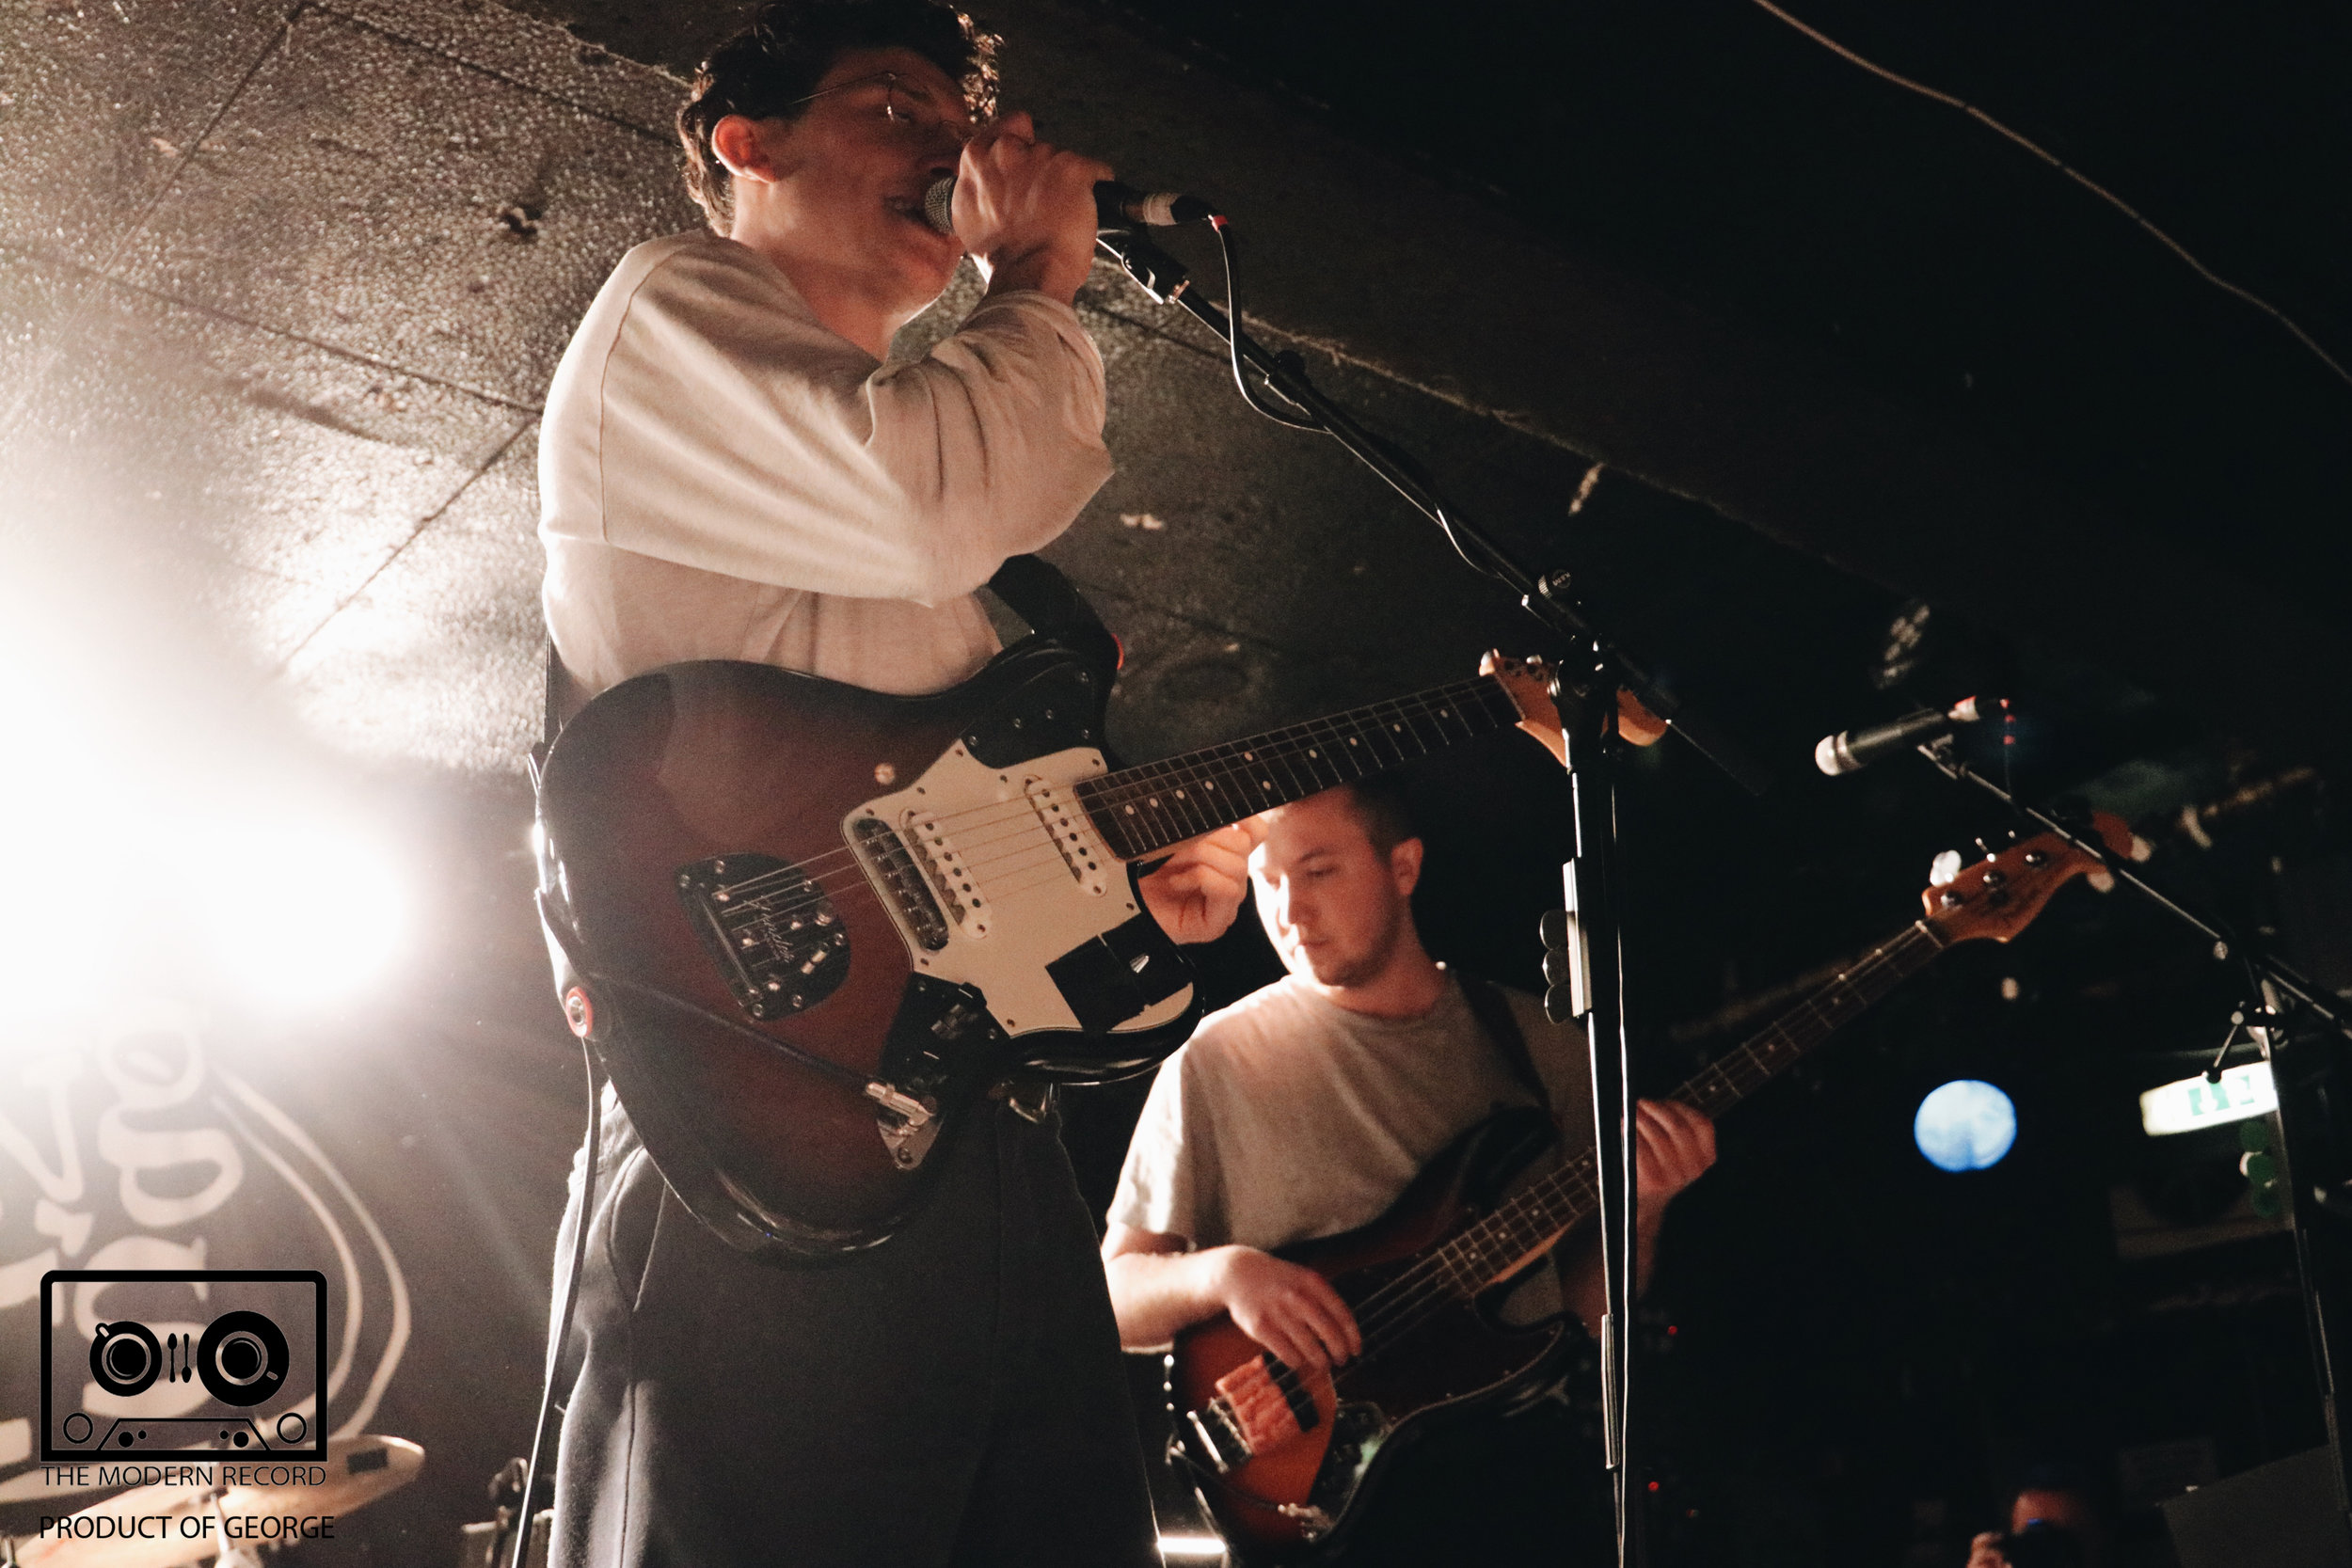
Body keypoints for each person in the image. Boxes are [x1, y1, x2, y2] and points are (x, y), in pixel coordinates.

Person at [532, 3, 1248, 1562]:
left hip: (976, 1140)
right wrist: (1041, 274)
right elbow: (931, 499)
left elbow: (929, 821)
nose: (949, 151)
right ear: (749, 144)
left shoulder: (917, 509)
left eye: (957, 121)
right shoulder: (670, 308)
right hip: (755, 1120)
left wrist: (1120, 886)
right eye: (894, 109)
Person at [1103, 778, 1717, 1563]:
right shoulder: (1214, 1061)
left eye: (1319, 871)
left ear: (1404, 867)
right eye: (1268, 882)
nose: (1289, 912)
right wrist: (1227, 1275)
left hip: (1507, 1489)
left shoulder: (1545, 1046)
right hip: (1324, 1505)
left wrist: (1646, 1206)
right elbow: (1114, 1300)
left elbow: (1587, 1316)